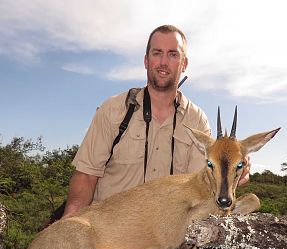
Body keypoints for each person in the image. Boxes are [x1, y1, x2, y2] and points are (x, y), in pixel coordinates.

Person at [63, 24, 249, 218]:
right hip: (109, 232)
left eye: (173, 55)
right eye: (157, 53)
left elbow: (202, 185)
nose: (163, 62)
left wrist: (236, 168)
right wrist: (67, 226)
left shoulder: (197, 120)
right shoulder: (113, 109)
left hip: (163, 235)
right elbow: (85, 177)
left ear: (184, 64)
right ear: (146, 60)